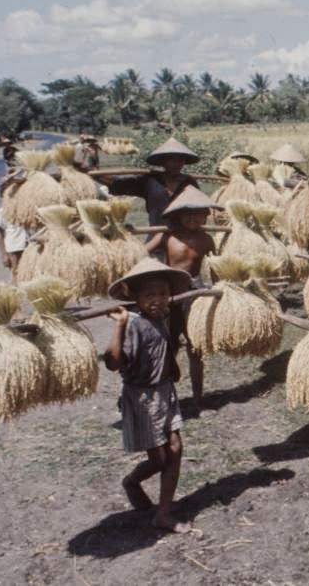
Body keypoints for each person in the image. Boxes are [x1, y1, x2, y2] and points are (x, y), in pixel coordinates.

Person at [102, 258, 194, 533]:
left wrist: (173, 369)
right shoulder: (132, 323)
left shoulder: (162, 316)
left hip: (165, 392)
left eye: (163, 293)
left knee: (175, 449)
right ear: (135, 298)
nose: (158, 300)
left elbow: (164, 345)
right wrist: (118, 326)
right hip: (142, 398)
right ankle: (132, 482)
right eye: (149, 295)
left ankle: (163, 513)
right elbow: (113, 362)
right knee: (160, 458)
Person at [146, 186, 216, 408]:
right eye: (188, 214)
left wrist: (219, 289)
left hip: (194, 291)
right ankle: (165, 393)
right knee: (168, 344)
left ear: (207, 215)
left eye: (199, 213)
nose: (194, 218)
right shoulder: (166, 236)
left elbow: (216, 268)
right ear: (178, 215)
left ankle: (197, 398)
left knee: (195, 346)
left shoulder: (206, 239)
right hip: (169, 293)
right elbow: (143, 251)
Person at [96, 137, 200, 227]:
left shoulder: (189, 182)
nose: (177, 164)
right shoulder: (151, 181)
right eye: (172, 160)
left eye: (180, 160)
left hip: (184, 236)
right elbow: (118, 184)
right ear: (163, 162)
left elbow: (201, 209)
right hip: (157, 233)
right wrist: (92, 172)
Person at [0, 177, 30, 281]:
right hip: (14, 247)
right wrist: (4, 254)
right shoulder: (2, 212)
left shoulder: (25, 209)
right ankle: (15, 294)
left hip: (27, 243)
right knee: (16, 272)